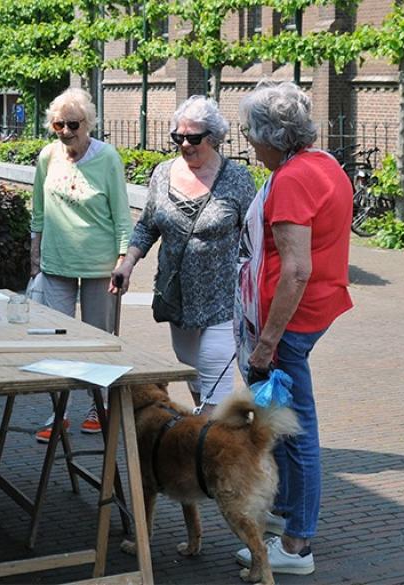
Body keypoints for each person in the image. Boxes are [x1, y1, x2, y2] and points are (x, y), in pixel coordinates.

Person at [232, 81, 353, 576]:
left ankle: (298, 544)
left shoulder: (290, 179)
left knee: (295, 430)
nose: (248, 143)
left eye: (250, 134)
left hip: (289, 324)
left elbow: (296, 268)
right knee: (284, 425)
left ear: (270, 136)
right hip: (315, 311)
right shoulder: (324, 165)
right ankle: (287, 520)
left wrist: (266, 342)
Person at [112, 97, 255, 411]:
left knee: (213, 370)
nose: (185, 145)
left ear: (214, 138)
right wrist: (128, 263)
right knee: (191, 366)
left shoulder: (237, 178)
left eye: (194, 138)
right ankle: (207, 431)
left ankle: (214, 445)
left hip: (222, 297)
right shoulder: (163, 174)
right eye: (178, 138)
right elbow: (148, 225)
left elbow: (255, 235)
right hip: (178, 296)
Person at [30, 87, 132, 441]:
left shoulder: (108, 159)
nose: (66, 131)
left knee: (96, 339)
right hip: (56, 263)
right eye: (59, 124)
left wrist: (123, 261)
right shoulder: (47, 157)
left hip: (98, 266)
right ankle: (58, 412)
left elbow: (122, 216)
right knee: (57, 341)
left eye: (73, 124)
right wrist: (34, 258)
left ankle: (97, 406)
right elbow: (38, 211)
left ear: (88, 123)